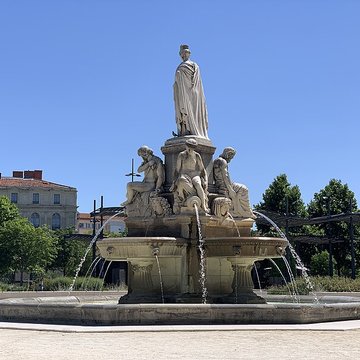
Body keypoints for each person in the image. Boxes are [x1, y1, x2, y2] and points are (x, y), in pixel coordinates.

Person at [173, 44, 209, 138]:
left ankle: (193, 129)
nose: (183, 55)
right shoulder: (180, 66)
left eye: (185, 53)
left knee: (191, 111)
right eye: (182, 53)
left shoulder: (194, 65)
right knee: (182, 110)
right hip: (181, 92)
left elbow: (197, 82)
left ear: (189, 53)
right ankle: (184, 130)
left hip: (191, 92)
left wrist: (193, 90)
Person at [213, 147, 255, 218]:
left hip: (219, 184)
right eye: (231, 156)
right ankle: (245, 211)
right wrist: (230, 190)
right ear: (227, 154)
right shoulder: (223, 162)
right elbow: (225, 176)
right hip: (225, 185)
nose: (231, 159)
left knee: (241, 188)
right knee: (244, 189)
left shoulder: (216, 161)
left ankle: (239, 210)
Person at [170, 139, 209, 213]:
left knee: (198, 184)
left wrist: (206, 180)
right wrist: (174, 182)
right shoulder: (181, 155)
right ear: (186, 146)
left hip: (194, 175)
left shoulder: (197, 155)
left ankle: (203, 205)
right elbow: (177, 170)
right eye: (188, 147)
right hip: (184, 175)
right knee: (181, 180)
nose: (190, 149)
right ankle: (192, 195)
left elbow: (202, 169)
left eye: (192, 148)